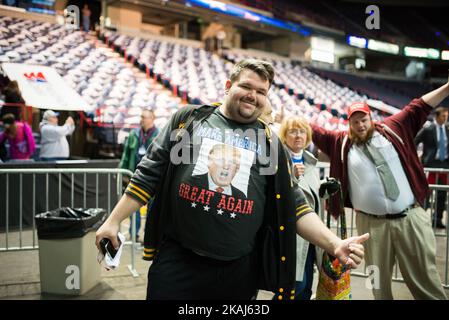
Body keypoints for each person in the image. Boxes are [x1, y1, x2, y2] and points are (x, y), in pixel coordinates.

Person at [96, 59, 368, 300]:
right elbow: (148, 174)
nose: (253, 96)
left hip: (237, 271)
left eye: (261, 91)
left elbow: (294, 206)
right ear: (228, 85)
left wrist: (334, 243)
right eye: (246, 87)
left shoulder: (270, 142)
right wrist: (113, 220)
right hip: (177, 260)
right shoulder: (190, 120)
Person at [311, 78, 449, 300]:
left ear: (370, 117)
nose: (360, 125)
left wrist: (447, 87)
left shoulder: (394, 128)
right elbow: (314, 131)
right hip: (371, 226)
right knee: (376, 281)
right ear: (349, 123)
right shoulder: (341, 143)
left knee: (426, 280)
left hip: (410, 219)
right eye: (355, 122)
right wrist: (284, 120)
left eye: (363, 119)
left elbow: (419, 105)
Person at [278, 116, 321, 300]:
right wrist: (291, 178)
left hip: (312, 237)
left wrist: (324, 190)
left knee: (306, 288)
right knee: (294, 287)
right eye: (292, 131)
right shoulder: (279, 159)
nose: (298, 135)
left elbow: (311, 196)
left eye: (302, 131)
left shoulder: (310, 162)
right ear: (284, 135)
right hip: (292, 237)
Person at [119, 109, 159, 242]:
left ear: (152, 119)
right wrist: (123, 171)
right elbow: (126, 154)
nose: (142, 120)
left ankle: (149, 236)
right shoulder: (133, 134)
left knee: (152, 209)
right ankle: (134, 234)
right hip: (135, 175)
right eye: (141, 117)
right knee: (133, 205)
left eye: (145, 117)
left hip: (153, 177)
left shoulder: (159, 135)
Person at [415, 107, 448, 229]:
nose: (445, 118)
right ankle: (422, 219)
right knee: (426, 192)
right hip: (430, 165)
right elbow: (415, 141)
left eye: (446, 116)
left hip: (444, 166)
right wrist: (416, 159)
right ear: (436, 116)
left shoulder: (447, 129)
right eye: (443, 116)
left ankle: (437, 218)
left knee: (442, 194)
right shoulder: (428, 129)